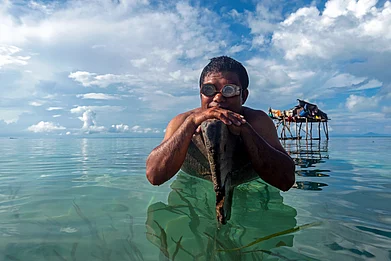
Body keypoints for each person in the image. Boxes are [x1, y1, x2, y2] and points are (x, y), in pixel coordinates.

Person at [146, 56, 295, 191]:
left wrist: (245, 130)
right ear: (200, 93)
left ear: (244, 95)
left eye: (228, 90)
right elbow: (154, 176)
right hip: (194, 187)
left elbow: (286, 181)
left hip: (251, 188)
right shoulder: (182, 121)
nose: (218, 98)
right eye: (209, 90)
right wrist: (190, 124)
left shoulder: (257, 121)